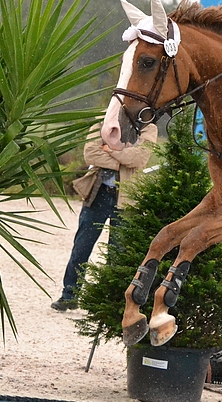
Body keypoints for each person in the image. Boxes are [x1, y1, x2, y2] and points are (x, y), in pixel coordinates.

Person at [51, 122, 157, 311]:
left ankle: (107, 302)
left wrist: (110, 149)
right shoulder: (104, 121)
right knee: (81, 248)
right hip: (97, 194)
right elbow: (90, 153)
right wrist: (123, 157)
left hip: (127, 199)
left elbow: (139, 159)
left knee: (117, 254)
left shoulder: (148, 127)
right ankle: (69, 295)